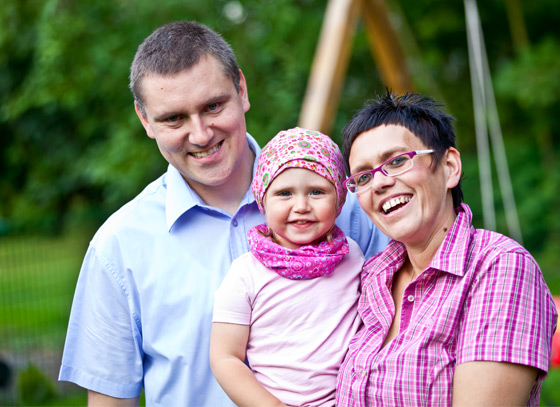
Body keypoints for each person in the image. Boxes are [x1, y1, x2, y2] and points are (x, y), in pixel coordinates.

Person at [58, 21, 389, 406]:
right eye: (173, 118)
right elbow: (110, 401)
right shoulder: (118, 247)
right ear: (145, 120)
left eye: (213, 106)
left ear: (242, 90)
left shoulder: (342, 208)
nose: (200, 135)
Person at [335, 91, 558, 406]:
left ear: (450, 166)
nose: (380, 183)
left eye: (397, 161)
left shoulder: (498, 267)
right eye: (364, 176)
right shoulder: (371, 277)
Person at [210, 127, 363, 407]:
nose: (301, 205)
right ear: (262, 201)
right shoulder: (246, 273)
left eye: (317, 192)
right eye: (284, 193)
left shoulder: (352, 256)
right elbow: (225, 357)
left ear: (340, 199)